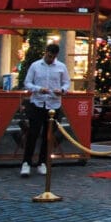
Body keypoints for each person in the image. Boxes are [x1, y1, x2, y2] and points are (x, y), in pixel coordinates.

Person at [21, 43, 69, 177]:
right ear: (45, 52)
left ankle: (42, 162)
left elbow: (66, 83)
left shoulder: (61, 67)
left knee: (48, 136)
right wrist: (38, 89)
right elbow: (27, 83)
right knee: (33, 134)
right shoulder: (35, 65)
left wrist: (63, 90)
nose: (50, 58)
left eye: (53, 57)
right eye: (49, 55)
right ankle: (26, 163)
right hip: (37, 103)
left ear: (56, 56)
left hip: (53, 105)